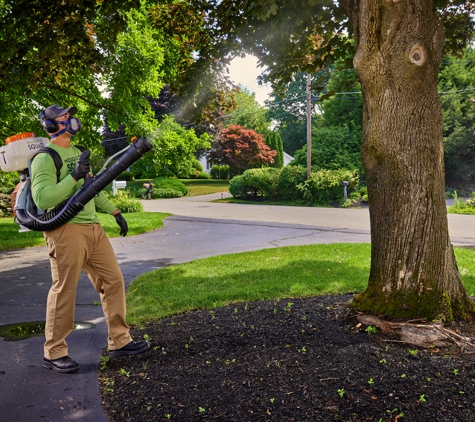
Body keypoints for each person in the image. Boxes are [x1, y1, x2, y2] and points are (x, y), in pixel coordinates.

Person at [31, 104, 150, 373]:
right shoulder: (45, 158)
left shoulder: (76, 152)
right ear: (50, 125)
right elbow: (43, 198)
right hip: (65, 230)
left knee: (113, 280)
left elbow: (93, 189)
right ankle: (54, 352)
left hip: (93, 229)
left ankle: (120, 341)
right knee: (65, 289)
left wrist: (115, 212)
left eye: (69, 115)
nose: (71, 119)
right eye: (64, 117)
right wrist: (74, 175)